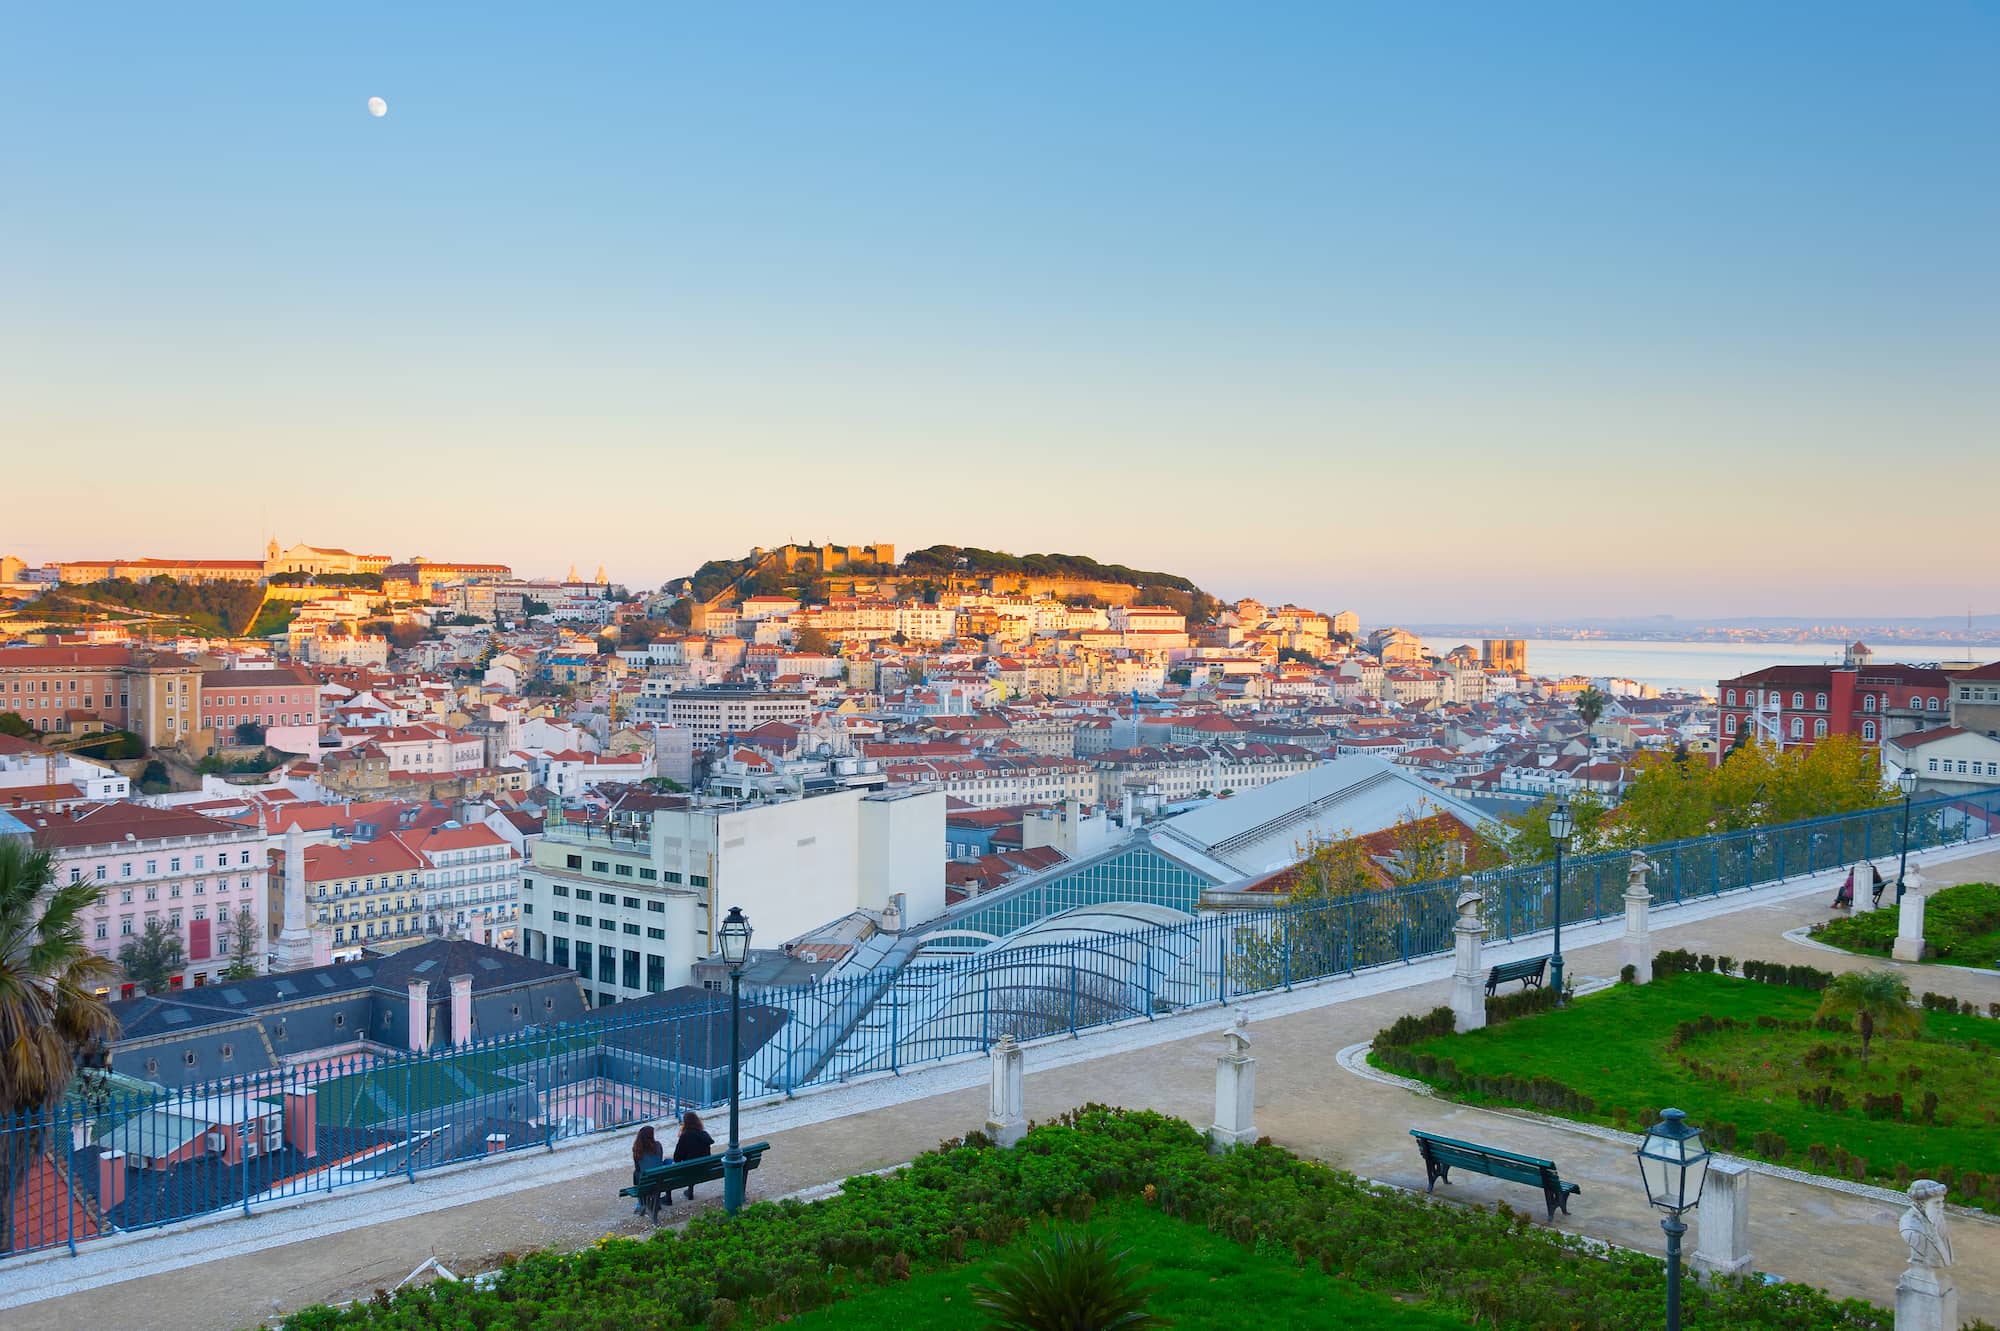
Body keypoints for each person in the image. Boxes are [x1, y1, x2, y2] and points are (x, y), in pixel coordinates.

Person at [673, 1110, 715, 1202]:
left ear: (685, 1124)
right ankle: (690, 1190)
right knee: (693, 1161)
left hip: (689, 1170)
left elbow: (677, 1158)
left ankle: (668, 1198)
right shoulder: (704, 1135)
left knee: (667, 1163)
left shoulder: (685, 1137)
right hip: (705, 1168)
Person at [631, 1124, 665, 1219]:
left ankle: (640, 1202)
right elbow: (659, 1161)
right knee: (666, 1163)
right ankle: (655, 1202)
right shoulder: (658, 1145)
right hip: (660, 1181)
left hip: (646, 1181)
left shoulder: (637, 1150)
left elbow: (638, 1168)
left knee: (636, 1174)